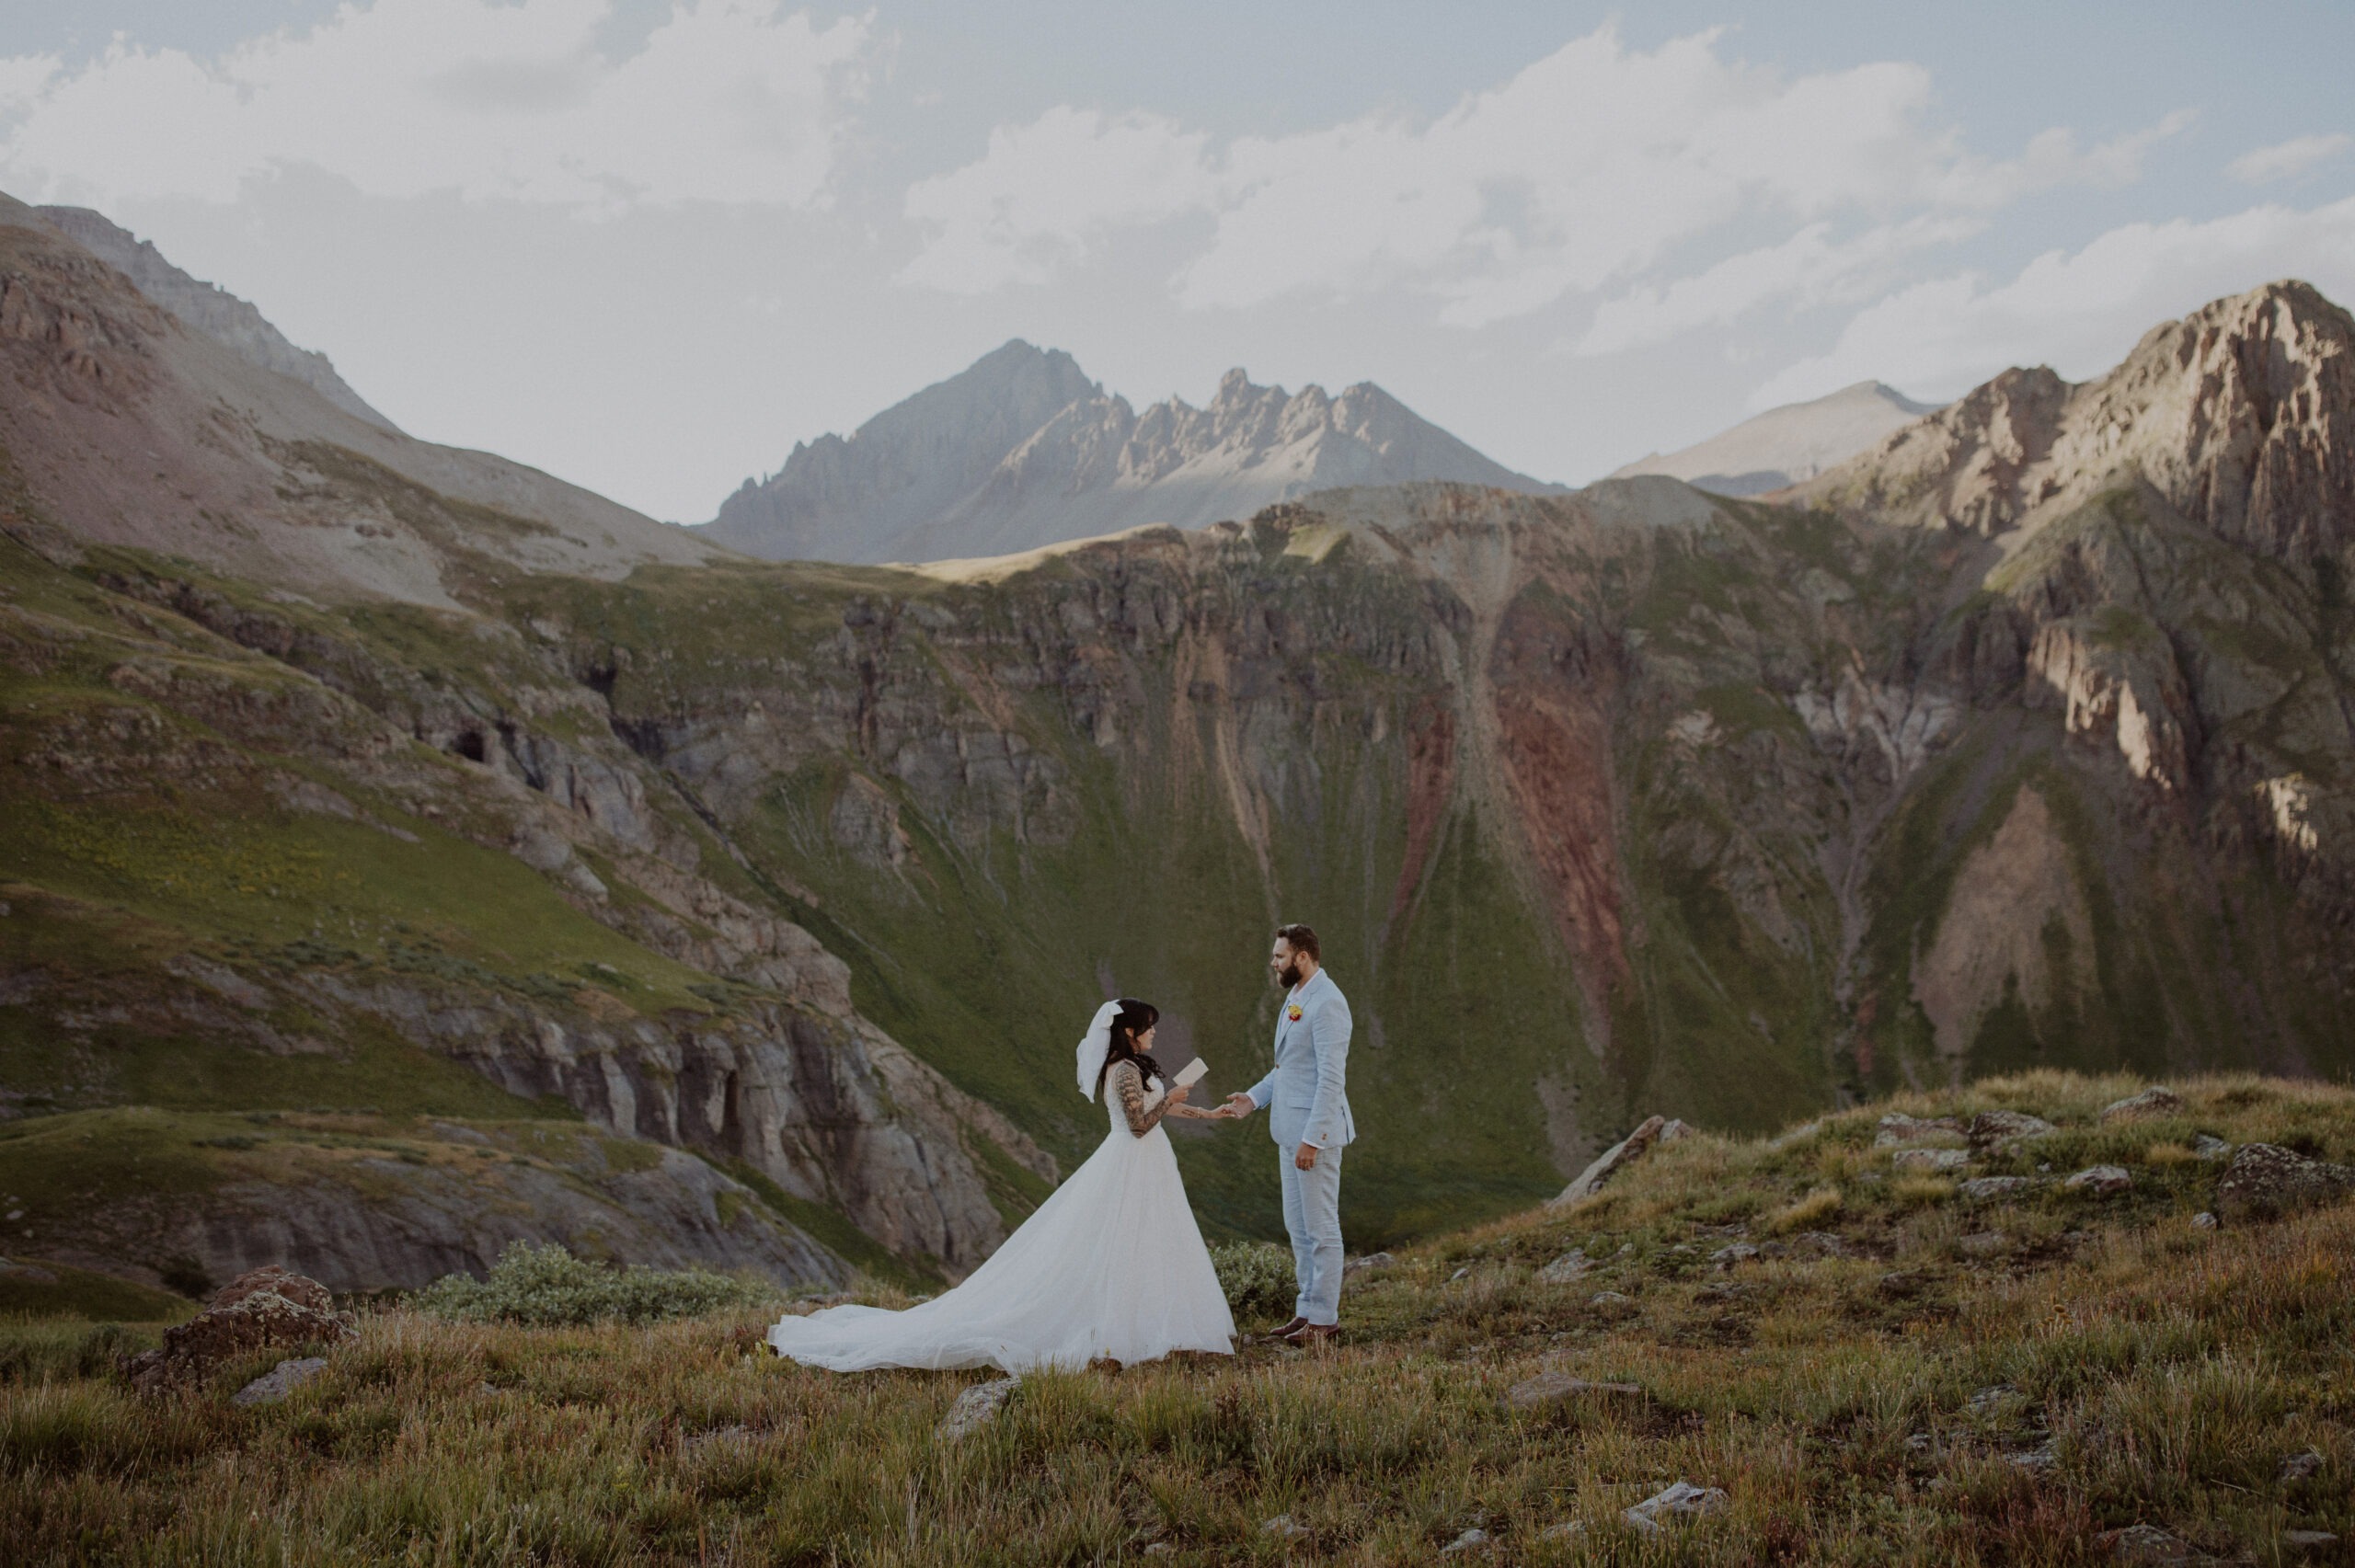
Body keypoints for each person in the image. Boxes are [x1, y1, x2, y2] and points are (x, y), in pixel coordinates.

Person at [765, 998, 1235, 1372]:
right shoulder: (1124, 1071)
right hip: (1131, 1161)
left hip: (1145, 1164)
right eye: (1149, 1026)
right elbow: (1138, 1125)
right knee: (1122, 1242)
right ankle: (1123, 1331)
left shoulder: (1135, 1068)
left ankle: (1142, 1327)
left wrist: (1204, 1112)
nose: (1155, 1032)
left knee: (1146, 1242)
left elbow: (1162, 1112)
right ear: (1130, 1032)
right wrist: (1171, 1096)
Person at [1216, 923, 1354, 1345]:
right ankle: (1307, 1309)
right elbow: (1288, 1070)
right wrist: (1253, 1099)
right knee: (1297, 1227)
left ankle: (1325, 1321)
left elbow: (1331, 1079)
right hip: (1288, 1133)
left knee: (1321, 1228)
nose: (1273, 963)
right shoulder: (1297, 997)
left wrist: (1313, 1139)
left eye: (1279, 956)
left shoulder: (1328, 1003)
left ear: (1302, 957)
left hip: (1315, 1136)